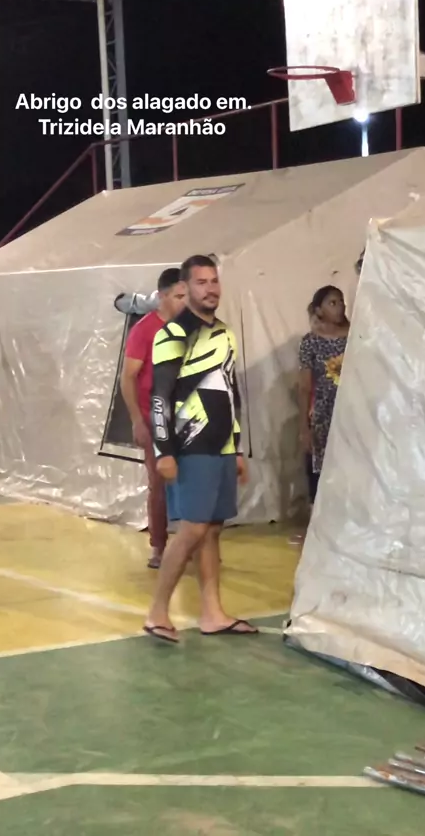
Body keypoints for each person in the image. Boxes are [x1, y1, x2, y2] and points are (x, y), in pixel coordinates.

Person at [144, 254, 258, 643]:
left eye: (214, 281)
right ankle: (157, 612)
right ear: (185, 288)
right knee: (192, 529)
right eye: (201, 282)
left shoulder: (224, 332)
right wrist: (164, 450)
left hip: (221, 445)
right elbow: (159, 397)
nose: (210, 289)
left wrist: (236, 447)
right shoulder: (172, 334)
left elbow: (230, 390)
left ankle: (212, 613)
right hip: (189, 444)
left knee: (211, 529)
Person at [121, 268, 186, 569]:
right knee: (158, 483)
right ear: (162, 296)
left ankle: (193, 543)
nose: (185, 302)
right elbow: (128, 378)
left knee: (195, 481)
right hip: (155, 419)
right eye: (179, 296)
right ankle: (159, 545)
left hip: (189, 418)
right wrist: (137, 420)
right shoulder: (145, 330)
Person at [298, 285, 350, 502]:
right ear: (319, 310)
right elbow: (304, 386)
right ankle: (318, 518)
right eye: (332, 303)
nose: (340, 307)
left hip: (353, 414)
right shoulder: (310, 342)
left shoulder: (356, 337)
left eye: (341, 302)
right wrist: (304, 427)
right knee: (321, 474)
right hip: (323, 416)